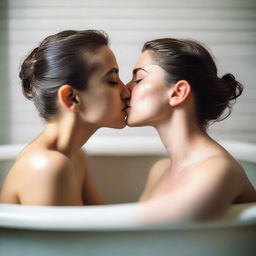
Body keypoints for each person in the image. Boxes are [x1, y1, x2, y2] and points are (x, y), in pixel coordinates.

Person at [126, 38, 256, 222]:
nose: (125, 89)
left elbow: (159, 234)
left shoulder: (218, 170)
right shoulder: (159, 170)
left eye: (138, 79)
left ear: (178, 93)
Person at [0, 30, 130, 205]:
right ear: (72, 98)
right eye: (113, 81)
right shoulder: (47, 166)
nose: (127, 91)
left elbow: (105, 222)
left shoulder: (75, 156)